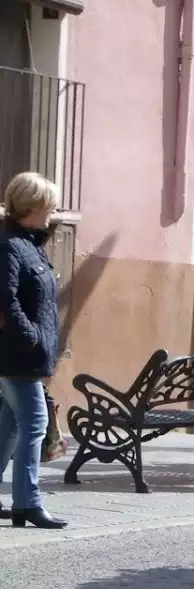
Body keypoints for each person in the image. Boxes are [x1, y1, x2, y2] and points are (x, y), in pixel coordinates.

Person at [0, 172, 65, 529]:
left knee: (10, 426)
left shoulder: (28, 243)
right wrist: (32, 339)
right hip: (17, 355)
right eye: (49, 206)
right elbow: (6, 301)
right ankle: (27, 502)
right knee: (35, 424)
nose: (54, 213)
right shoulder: (10, 246)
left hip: (25, 355)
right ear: (33, 206)